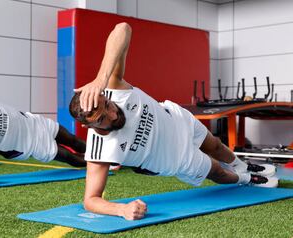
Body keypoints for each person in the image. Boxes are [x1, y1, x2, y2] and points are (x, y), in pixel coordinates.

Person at [69, 22, 276, 220]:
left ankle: (242, 165)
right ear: (88, 126)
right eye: (103, 119)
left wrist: (100, 79)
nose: (113, 114)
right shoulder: (99, 151)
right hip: (177, 159)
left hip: (178, 119)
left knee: (215, 145)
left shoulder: (113, 88)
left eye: (107, 105)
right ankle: (246, 179)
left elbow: (123, 28)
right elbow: (90, 200)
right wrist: (121, 209)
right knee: (216, 171)